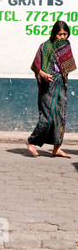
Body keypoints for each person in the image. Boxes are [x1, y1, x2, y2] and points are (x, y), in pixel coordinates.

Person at [26, 20, 76, 158]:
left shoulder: (67, 46)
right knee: (47, 118)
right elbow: (35, 65)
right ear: (54, 34)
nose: (63, 37)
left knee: (60, 116)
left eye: (65, 34)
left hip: (61, 84)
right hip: (47, 85)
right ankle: (31, 141)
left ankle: (56, 148)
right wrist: (43, 74)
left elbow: (68, 66)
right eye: (60, 34)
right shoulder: (45, 46)